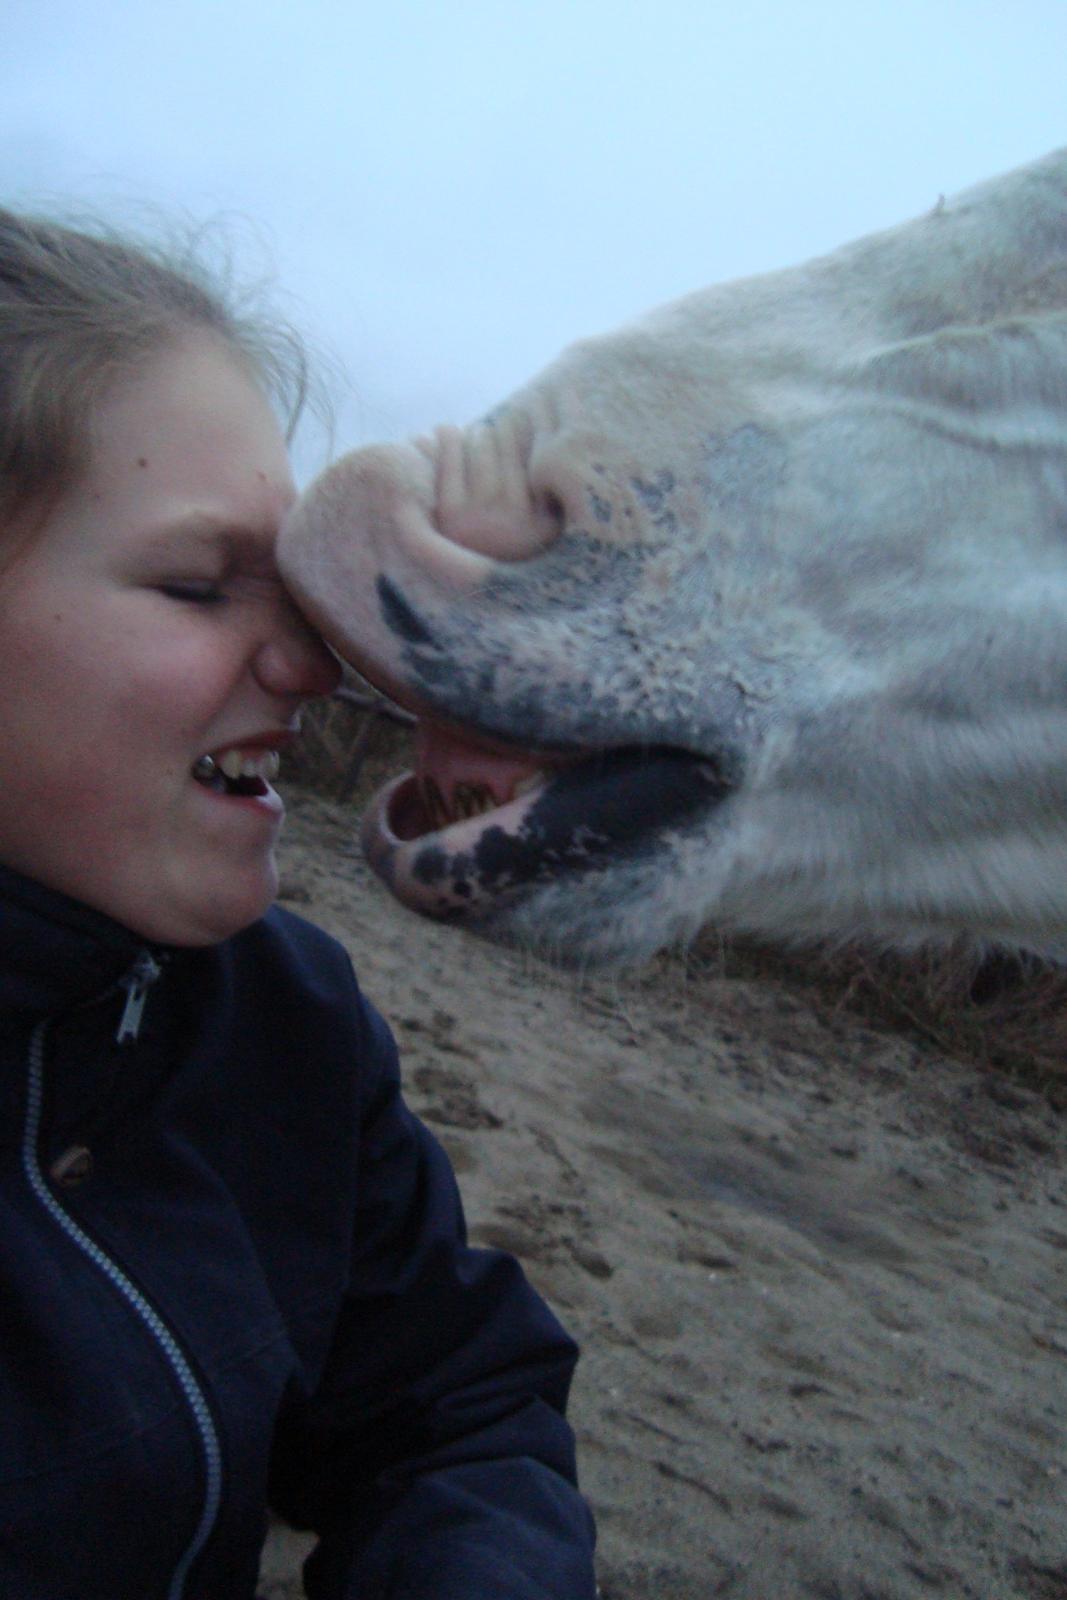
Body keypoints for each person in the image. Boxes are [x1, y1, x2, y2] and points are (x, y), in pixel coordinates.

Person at [0, 209, 597, 1599]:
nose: (308, 667)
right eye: (202, 585)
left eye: (294, 591)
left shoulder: (283, 1019)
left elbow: (458, 1410)